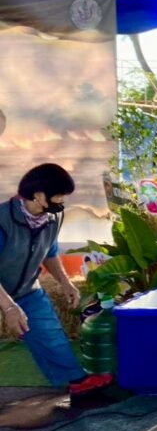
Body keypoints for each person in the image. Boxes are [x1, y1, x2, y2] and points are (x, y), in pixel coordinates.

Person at [0, 163, 113, 404]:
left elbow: (49, 252)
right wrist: (8, 307)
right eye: (58, 195)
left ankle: (77, 383)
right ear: (38, 195)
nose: (62, 200)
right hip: (5, 292)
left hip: (26, 289)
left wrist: (65, 282)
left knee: (48, 332)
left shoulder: (52, 217)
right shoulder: (3, 220)